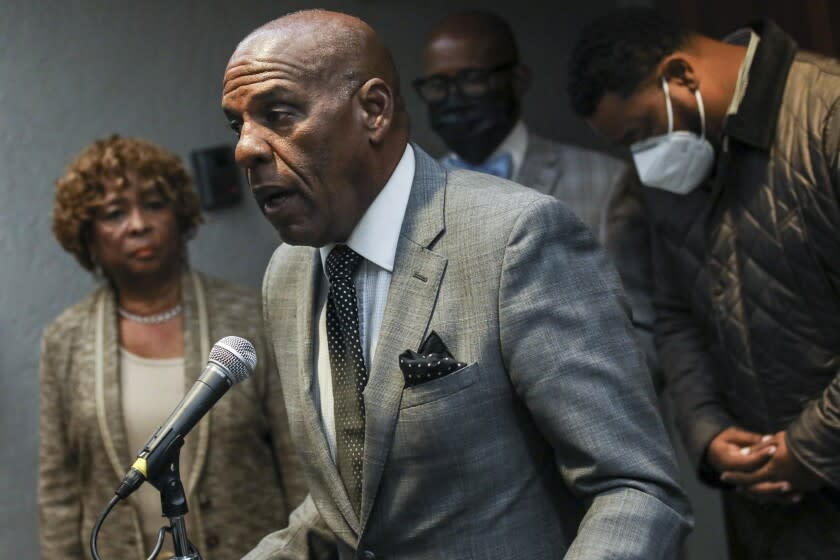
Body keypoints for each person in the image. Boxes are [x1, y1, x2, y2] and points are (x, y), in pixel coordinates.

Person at [221, 10, 691, 559]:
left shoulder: (514, 238)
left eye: (278, 115)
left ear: (373, 110)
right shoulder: (289, 273)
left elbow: (634, 488)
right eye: (239, 125)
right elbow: (349, 510)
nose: (246, 149)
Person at [569, 7, 840, 558]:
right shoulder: (674, 173)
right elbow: (674, 312)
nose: (642, 161)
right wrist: (707, 431)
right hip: (765, 504)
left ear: (681, 77)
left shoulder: (827, 115)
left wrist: (812, 448)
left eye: (641, 133)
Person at [39, 136, 306, 559]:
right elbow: (59, 489)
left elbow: (297, 460)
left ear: (180, 216)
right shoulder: (66, 339)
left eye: (154, 204)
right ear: (86, 237)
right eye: (113, 213)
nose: (138, 224)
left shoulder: (247, 316)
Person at [414, 10, 660, 388]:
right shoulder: (414, 196)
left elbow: (641, 325)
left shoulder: (606, 180)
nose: (454, 100)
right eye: (437, 85)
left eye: (472, 79)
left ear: (518, 79)